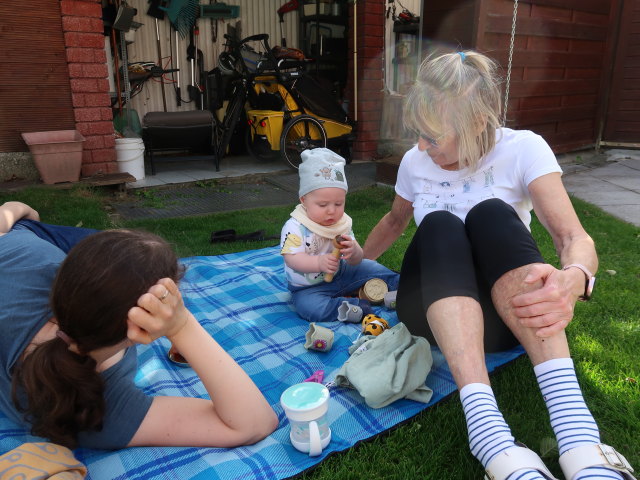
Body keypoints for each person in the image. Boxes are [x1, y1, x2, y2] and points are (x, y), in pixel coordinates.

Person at [362, 52, 635, 480]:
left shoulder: (523, 148)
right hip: (430, 311)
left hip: (506, 317)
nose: (420, 147)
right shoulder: (416, 163)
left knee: (491, 213)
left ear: (476, 123)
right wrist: (357, 266)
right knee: (439, 224)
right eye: (417, 134)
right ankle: (487, 432)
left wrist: (575, 278)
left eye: (432, 137)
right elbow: (395, 220)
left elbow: (572, 238)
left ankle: (580, 438)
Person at [1, 201, 278, 450]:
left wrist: (18, 212)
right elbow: (254, 422)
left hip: (23, 235)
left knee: (133, 255)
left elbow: (13, 211)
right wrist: (181, 326)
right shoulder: (99, 412)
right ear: (140, 330)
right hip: (26, 235)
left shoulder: (29, 259)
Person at [280, 148, 399, 323]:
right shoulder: (295, 226)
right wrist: (318, 263)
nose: (331, 211)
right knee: (310, 308)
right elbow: (292, 259)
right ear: (304, 200)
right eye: (322, 204)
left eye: (338, 203)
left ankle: (402, 286)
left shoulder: (340, 223)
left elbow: (356, 260)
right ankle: (353, 305)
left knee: (371, 267)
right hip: (308, 287)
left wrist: (355, 252)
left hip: (342, 272)